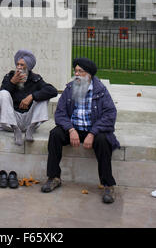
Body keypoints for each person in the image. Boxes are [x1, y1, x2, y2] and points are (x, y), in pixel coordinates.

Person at [41, 58, 120, 204]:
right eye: (75, 71)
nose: (76, 74)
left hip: (93, 130)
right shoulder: (70, 88)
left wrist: (92, 133)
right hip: (74, 128)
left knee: (103, 141)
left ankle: (108, 185)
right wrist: (71, 129)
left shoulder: (100, 90)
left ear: (88, 74)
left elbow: (110, 114)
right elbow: (59, 113)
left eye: (80, 71)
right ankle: (54, 177)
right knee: (55, 134)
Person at [0, 49, 58, 145]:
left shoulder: (35, 79)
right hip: (12, 119)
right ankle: (16, 129)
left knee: (43, 96)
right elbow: (3, 93)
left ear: (28, 67)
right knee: (2, 94)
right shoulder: (9, 76)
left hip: (29, 120)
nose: (19, 68)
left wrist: (32, 96)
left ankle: (31, 129)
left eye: (22, 65)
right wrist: (12, 82)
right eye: (18, 64)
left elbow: (53, 91)